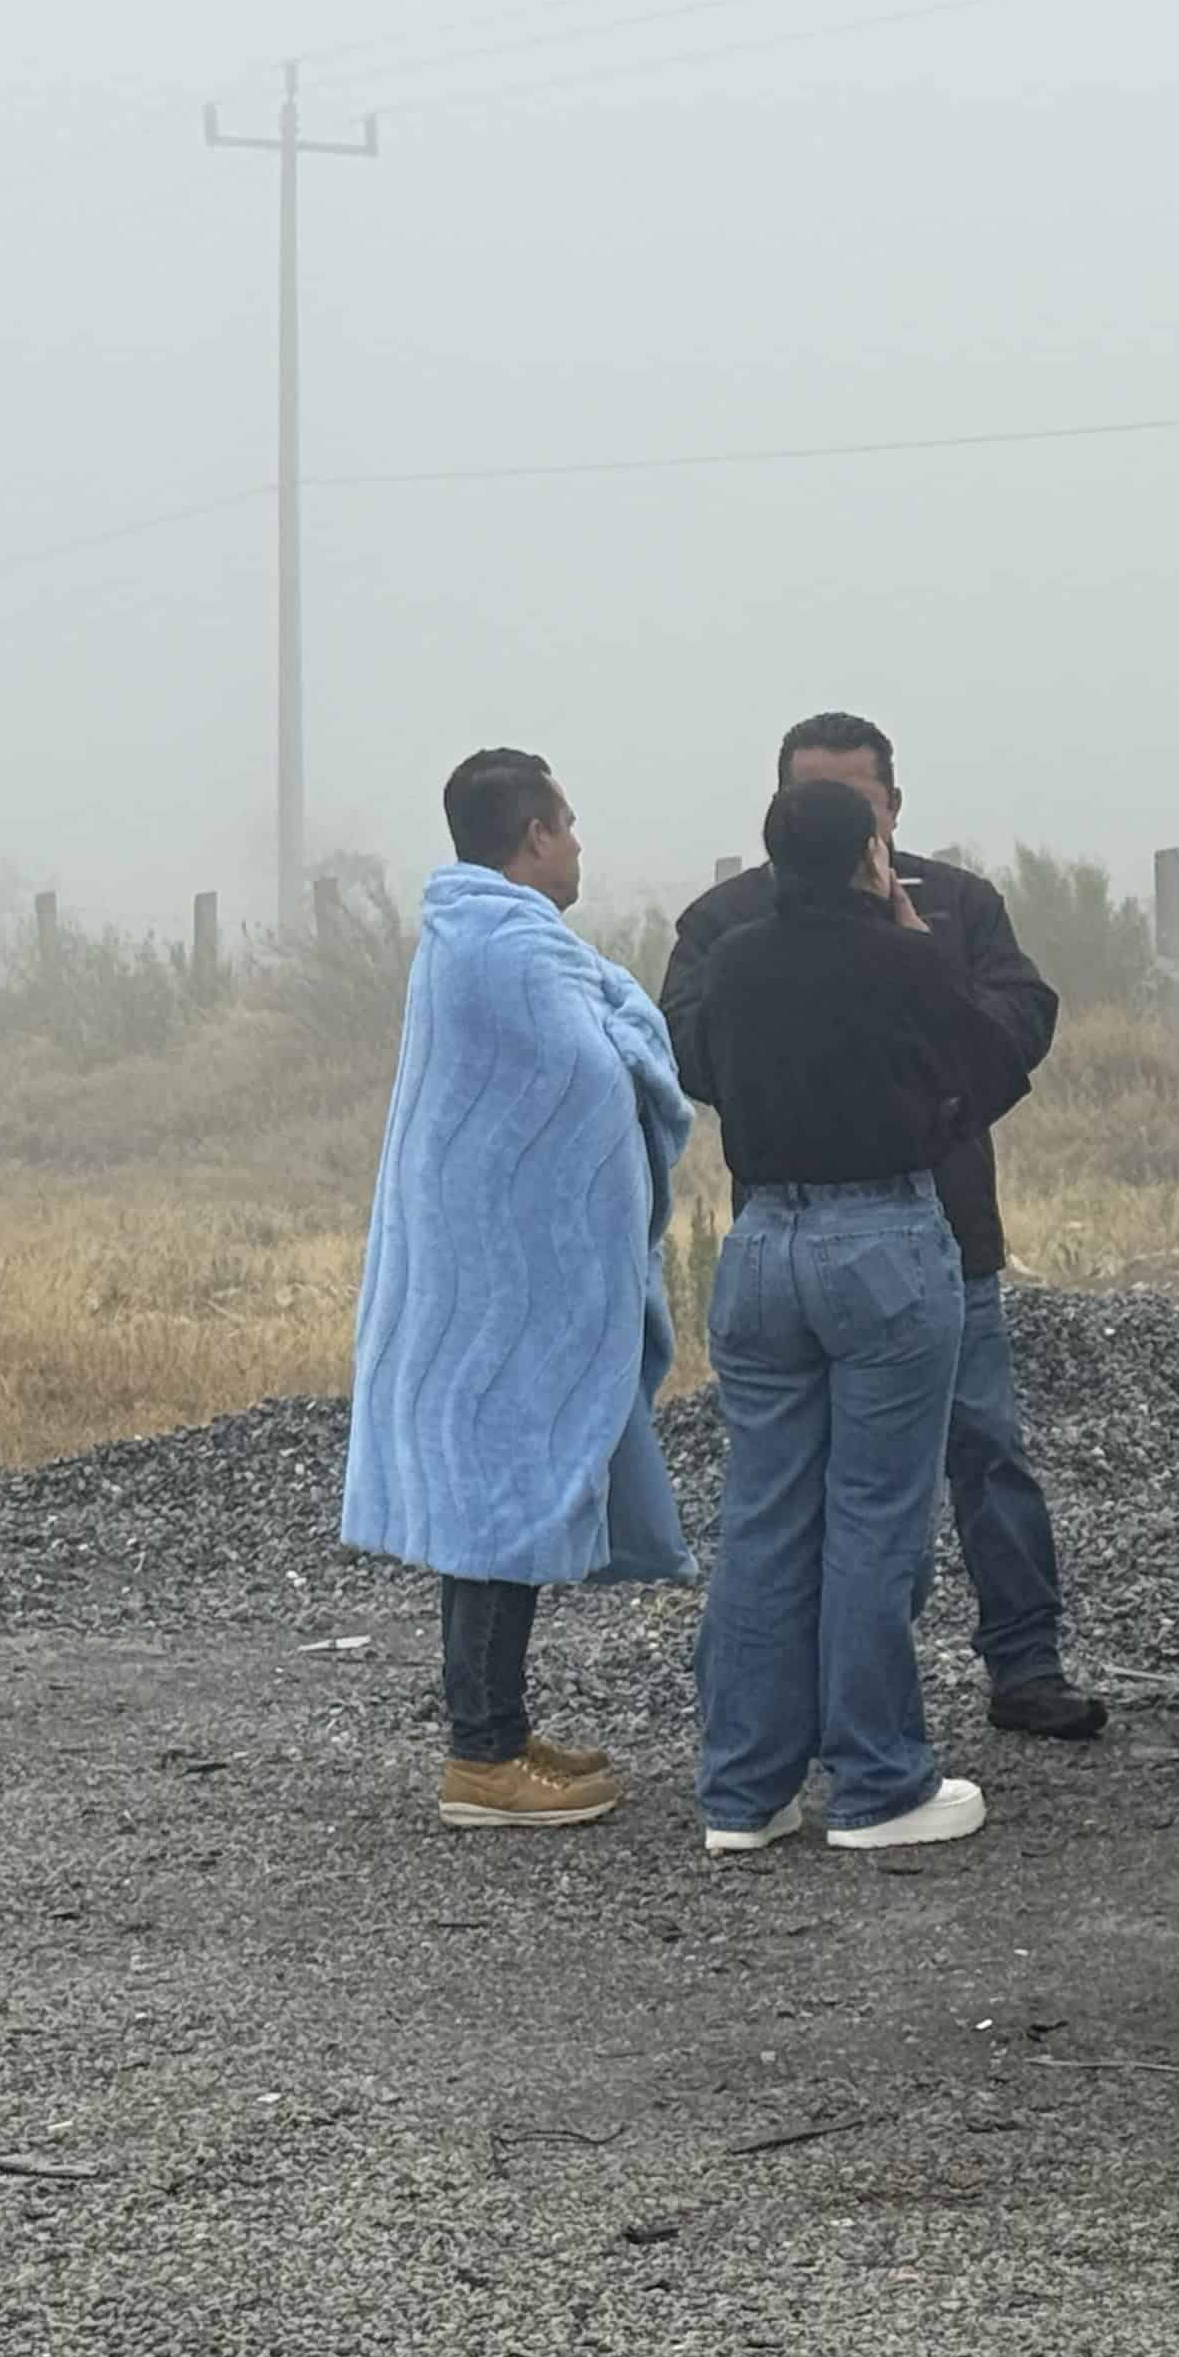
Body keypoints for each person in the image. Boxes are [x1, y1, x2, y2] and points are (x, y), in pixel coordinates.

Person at [662, 714, 1107, 1742]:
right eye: (819, 800)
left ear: (893, 808)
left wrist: (930, 1114)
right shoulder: (723, 924)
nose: (844, 823)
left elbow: (1014, 1028)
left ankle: (1022, 1663)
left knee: (983, 1449)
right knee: (816, 1499)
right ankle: (838, 1725)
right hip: (810, 1229)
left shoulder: (954, 905)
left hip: (946, 1226)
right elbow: (689, 1049)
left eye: (859, 802)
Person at [341, 750, 694, 1830]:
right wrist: (638, 1032)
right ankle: (481, 1761)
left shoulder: (478, 936)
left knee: (503, 1496)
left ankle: (499, 1730)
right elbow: (591, 1078)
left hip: (484, 1282)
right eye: (570, 826)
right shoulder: (503, 947)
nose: (581, 845)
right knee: (497, 1504)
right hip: (499, 1290)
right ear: (534, 836)